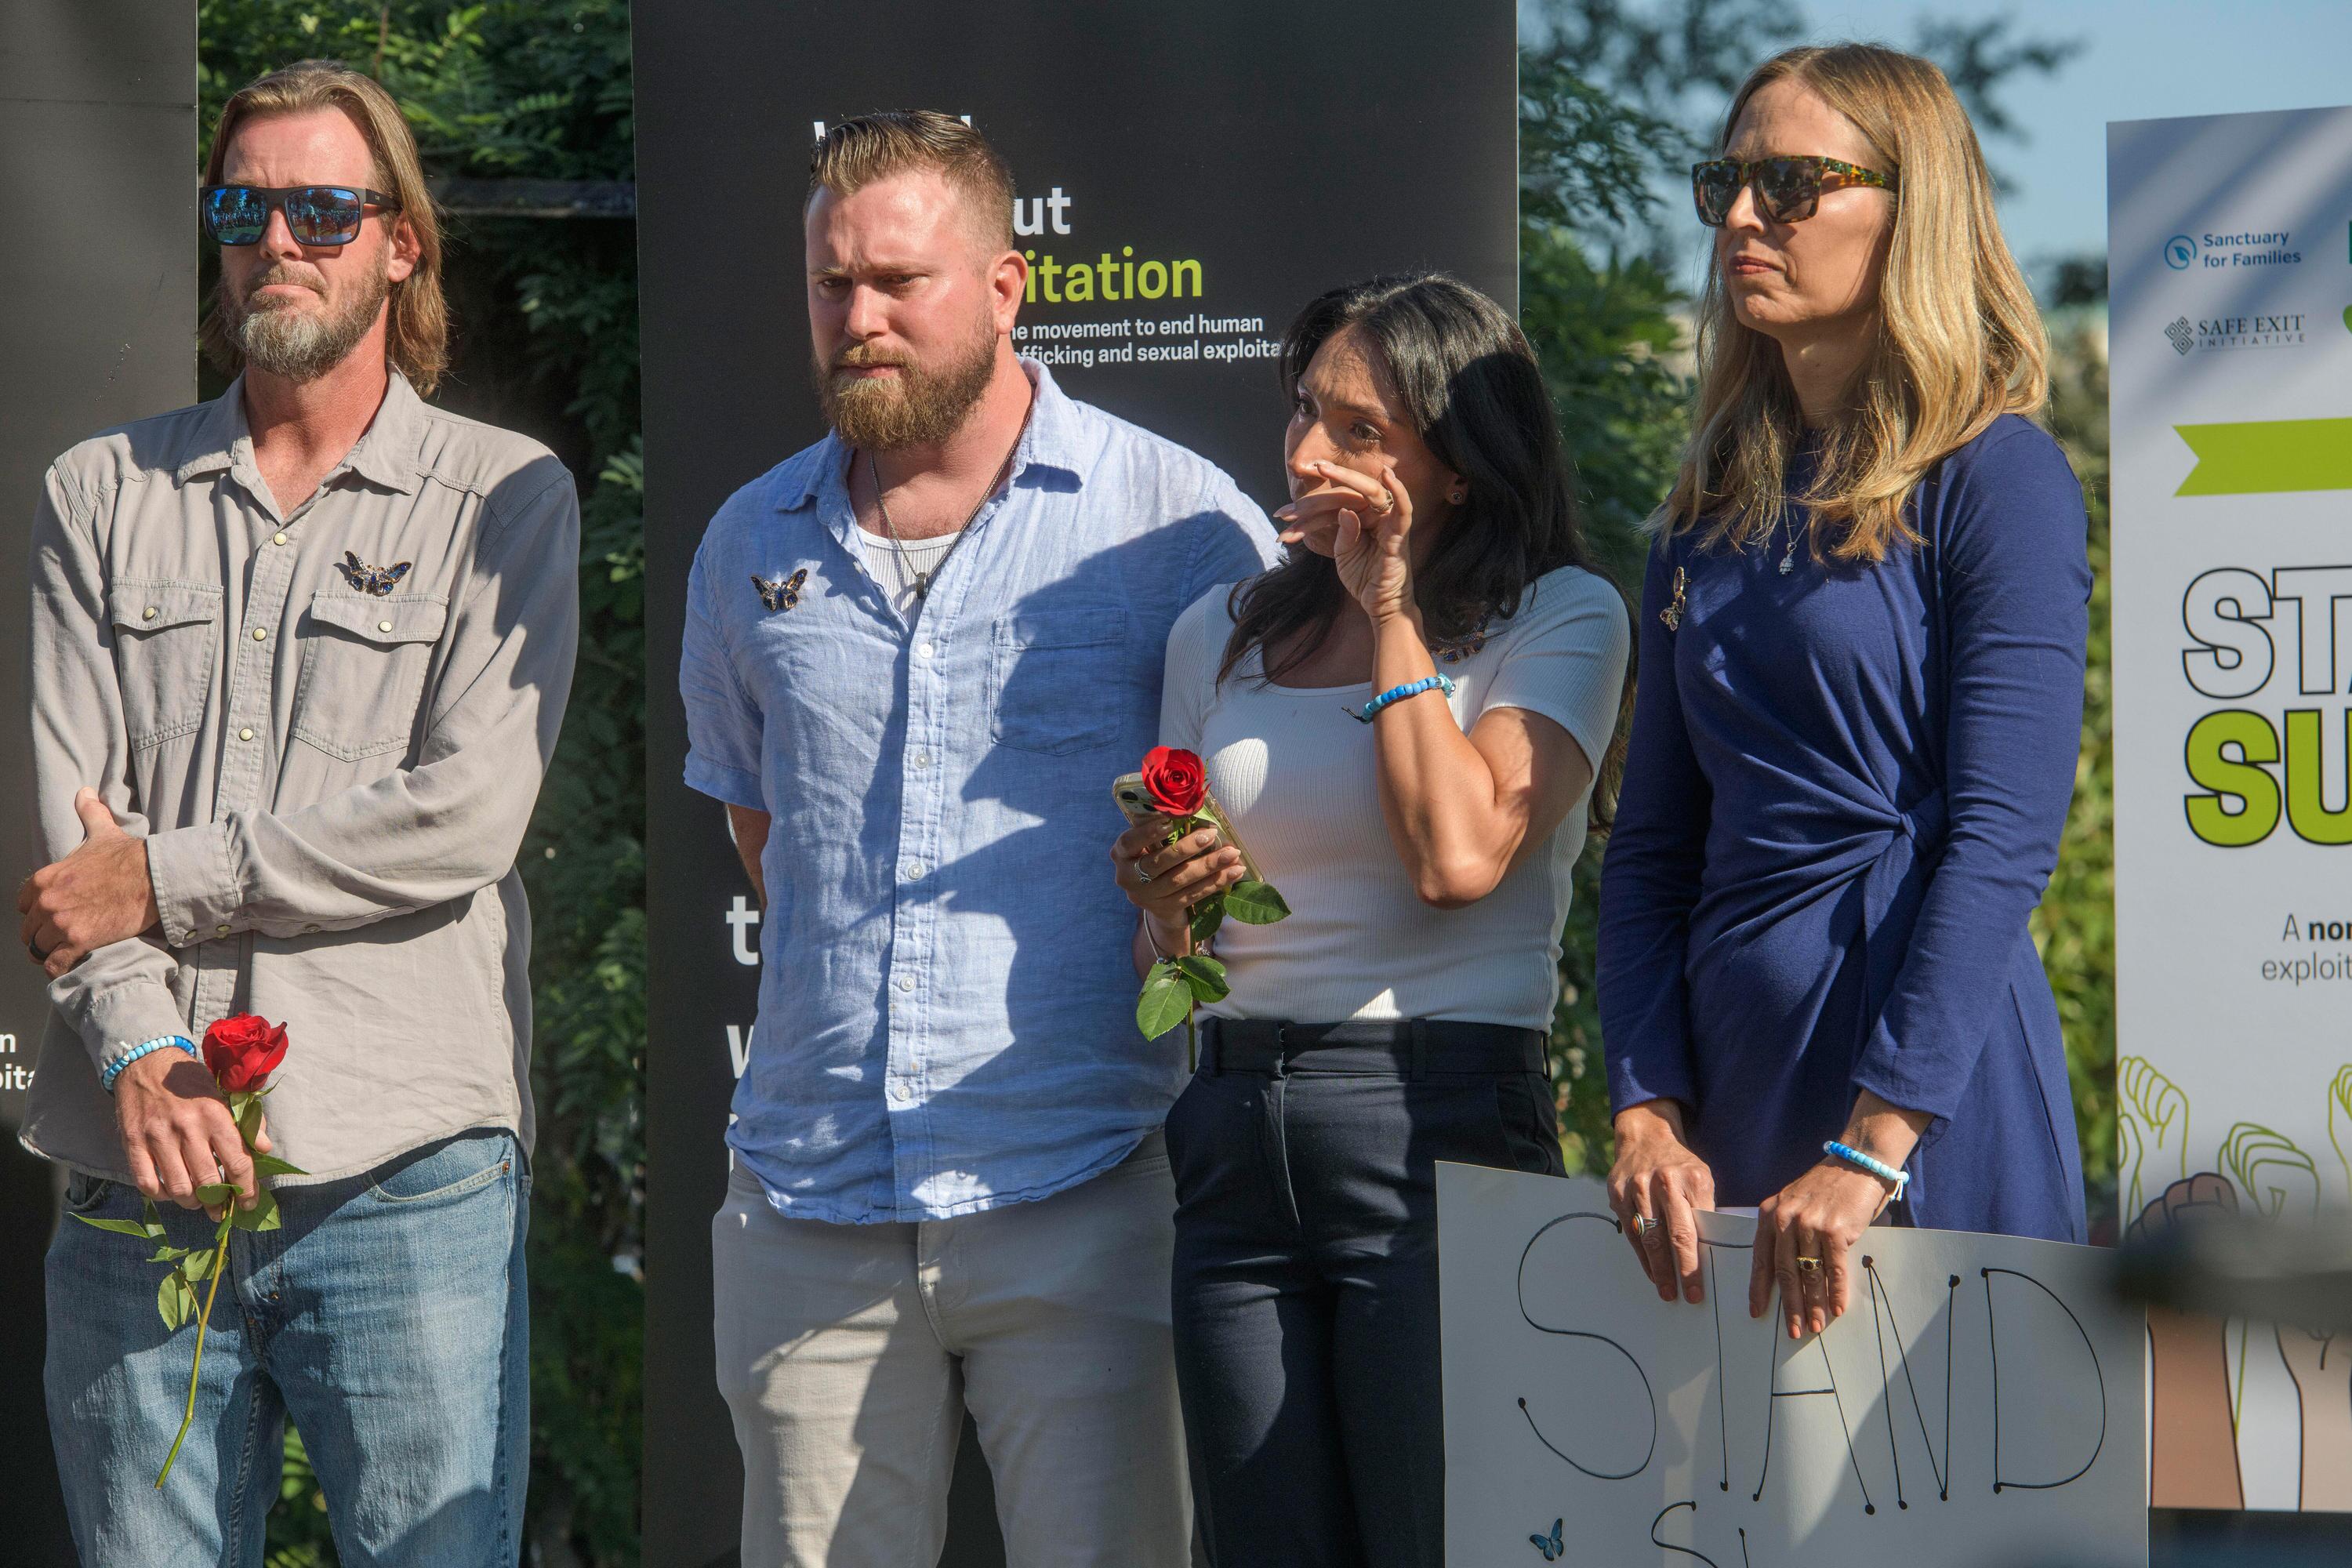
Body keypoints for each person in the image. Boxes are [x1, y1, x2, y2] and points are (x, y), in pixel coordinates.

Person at [679, 111, 1279, 1567]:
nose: (859, 319)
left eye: (900, 281)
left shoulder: (1180, 526)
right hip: (811, 1196)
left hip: (1087, 1180)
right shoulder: (750, 539)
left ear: (1007, 287)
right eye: (833, 284)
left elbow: (1258, 853)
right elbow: (772, 837)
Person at [18, 60, 578, 1565]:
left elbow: (466, 816)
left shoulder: (505, 498)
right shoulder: (99, 493)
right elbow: (73, 849)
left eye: (324, 208)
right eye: (242, 208)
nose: (278, 239)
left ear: (402, 243)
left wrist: (167, 877)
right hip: (136, 1171)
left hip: (406, 1180)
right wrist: (138, 1051)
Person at [1112, 273, 1631, 1567]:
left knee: (1446, 1543)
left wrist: (1391, 606)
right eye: (1305, 411)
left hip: (1436, 1122)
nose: (1305, 454)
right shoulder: (1224, 632)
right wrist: (1169, 910)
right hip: (1234, 1128)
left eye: (1360, 431)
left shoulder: (1560, 615)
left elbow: (1459, 857)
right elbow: (1178, 963)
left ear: (1456, 465)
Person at [1596, 42, 2090, 1349]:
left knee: (1957, 1476)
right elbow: (1651, 849)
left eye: (1792, 185)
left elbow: (2003, 839)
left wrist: (1876, 1143)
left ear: (1913, 208)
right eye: (1728, 184)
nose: (1743, 219)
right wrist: (1646, 1107)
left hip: (1920, 1106)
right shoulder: (1700, 519)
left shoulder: (1996, 477)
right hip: (1729, 1110)